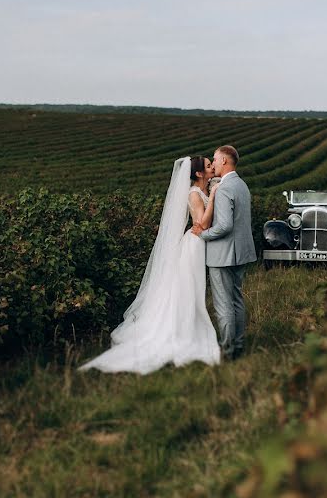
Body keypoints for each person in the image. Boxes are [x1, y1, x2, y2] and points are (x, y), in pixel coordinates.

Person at [79, 156, 221, 374]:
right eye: (209, 166)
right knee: (189, 291)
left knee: (191, 290)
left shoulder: (205, 187)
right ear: (199, 173)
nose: (212, 167)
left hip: (198, 244)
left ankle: (189, 327)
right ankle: (184, 332)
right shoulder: (194, 194)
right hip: (194, 245)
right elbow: (201, 224)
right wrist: (212, 197)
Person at [191, 145, 256, 360]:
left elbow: (225, 225)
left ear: (225, 162)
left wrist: (203, 234)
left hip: (222, 254)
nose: (214, 163)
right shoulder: (242, 185)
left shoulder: (225, 188)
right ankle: (237, 347)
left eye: (216, 160)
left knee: (223, 305)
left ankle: (227, 351)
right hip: (242, 252)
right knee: (236, 299)